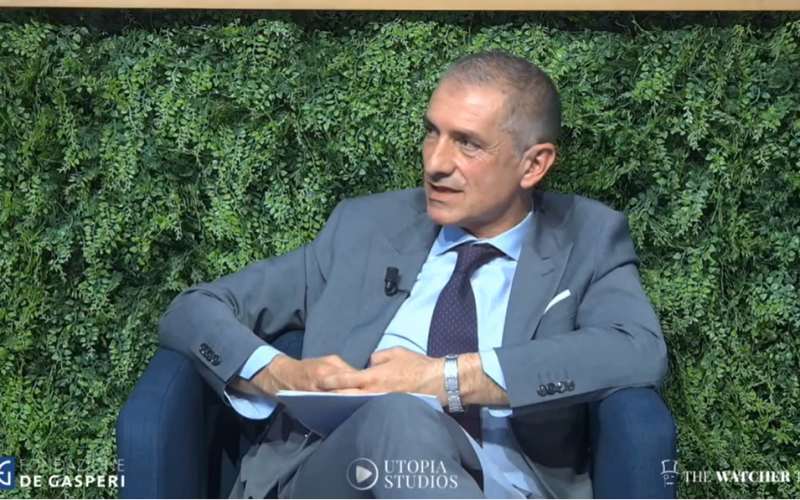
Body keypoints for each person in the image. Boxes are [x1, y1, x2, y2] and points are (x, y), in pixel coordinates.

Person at [158, 49, 669, 499]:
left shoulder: (588, 238)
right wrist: (281, 375)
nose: (436, 163)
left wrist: (446, 379)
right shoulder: (365, 228)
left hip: (512, 485)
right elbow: (193, 310)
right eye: (432, 132)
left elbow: (637, 349)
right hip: (338, 477)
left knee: (408, 404)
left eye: (467, 143)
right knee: (399, 412)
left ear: (533, 165)